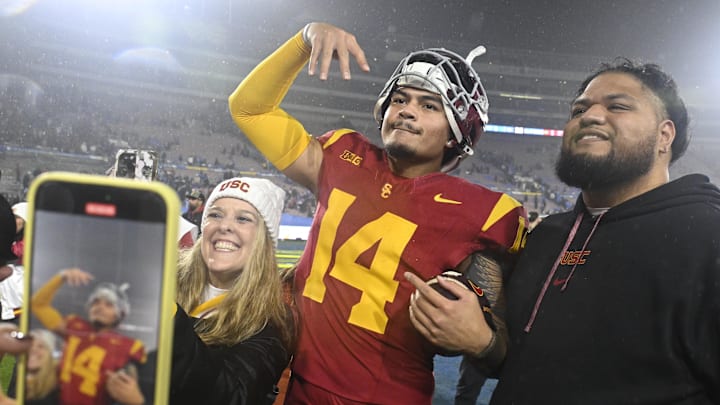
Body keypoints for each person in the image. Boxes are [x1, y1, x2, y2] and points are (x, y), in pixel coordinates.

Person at [229, 22, 526, 404]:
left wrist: (480, 340)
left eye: (428, 105)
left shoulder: (487, 214)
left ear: (456, 132)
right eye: (400, 99)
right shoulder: (340, 155)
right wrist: (304, 40)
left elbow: (504, 347)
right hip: (296, 385)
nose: (406, 111)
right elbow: (249, 109)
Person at [487, 59, 720, 403]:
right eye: (579, 109)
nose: (590, 116)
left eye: (618, 106)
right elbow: (526, 364)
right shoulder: (546, 237)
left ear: (664, 135)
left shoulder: (708, 236)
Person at [163, 176, 294, 405]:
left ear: (264, 240)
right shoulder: (164, 275)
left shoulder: (272, 320)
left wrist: (166, 311)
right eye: (215, 214)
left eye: (243, 219)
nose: (224, 226)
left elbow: (232, 395)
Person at [31, 269, 146, 405]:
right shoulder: (74, 326)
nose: (99, 307)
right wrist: (61, 276)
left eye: (108, 304)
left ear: (119, 313)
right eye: (95, 302)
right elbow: (38, 305)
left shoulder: (131, 346)